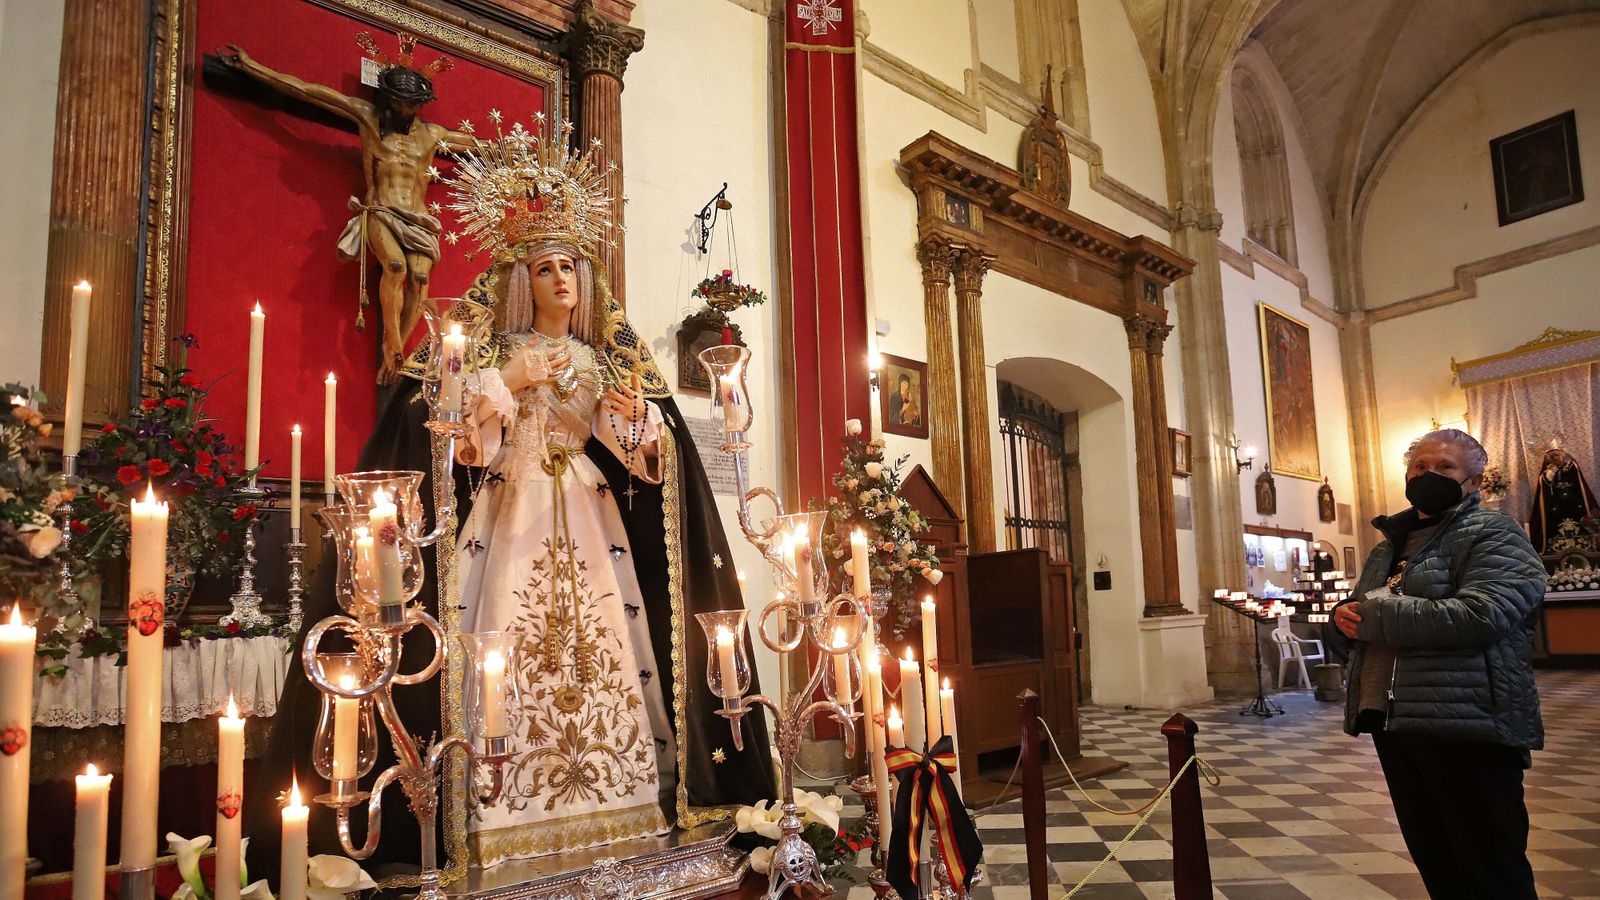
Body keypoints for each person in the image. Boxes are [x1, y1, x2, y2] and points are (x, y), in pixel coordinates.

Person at [1332, 428, 1544, 899]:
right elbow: (1364, 609)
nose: (1429, 475)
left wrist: (1375, 616)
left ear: (1474, 479)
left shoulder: (1494, 532)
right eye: (1420, 467)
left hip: (1468, 721)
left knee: (1490, 869)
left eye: (1445, 466)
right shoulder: (1389, 544)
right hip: (1394, 718)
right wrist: (1342, 618)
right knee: (1438, 861)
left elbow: (1484, 614)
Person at [215, 33, 469, 384]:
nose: (405, 110)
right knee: (395, 267)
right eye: (399, 102)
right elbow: (310, 92)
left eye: (412, 104)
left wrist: (525, 154)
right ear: (387, 97)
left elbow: (481, 145)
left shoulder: (432, 135)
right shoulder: (367, 117)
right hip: (380, 210)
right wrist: (253, 67)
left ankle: (399, 351)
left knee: (420, 278)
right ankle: (392, 344)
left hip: (420, 219)